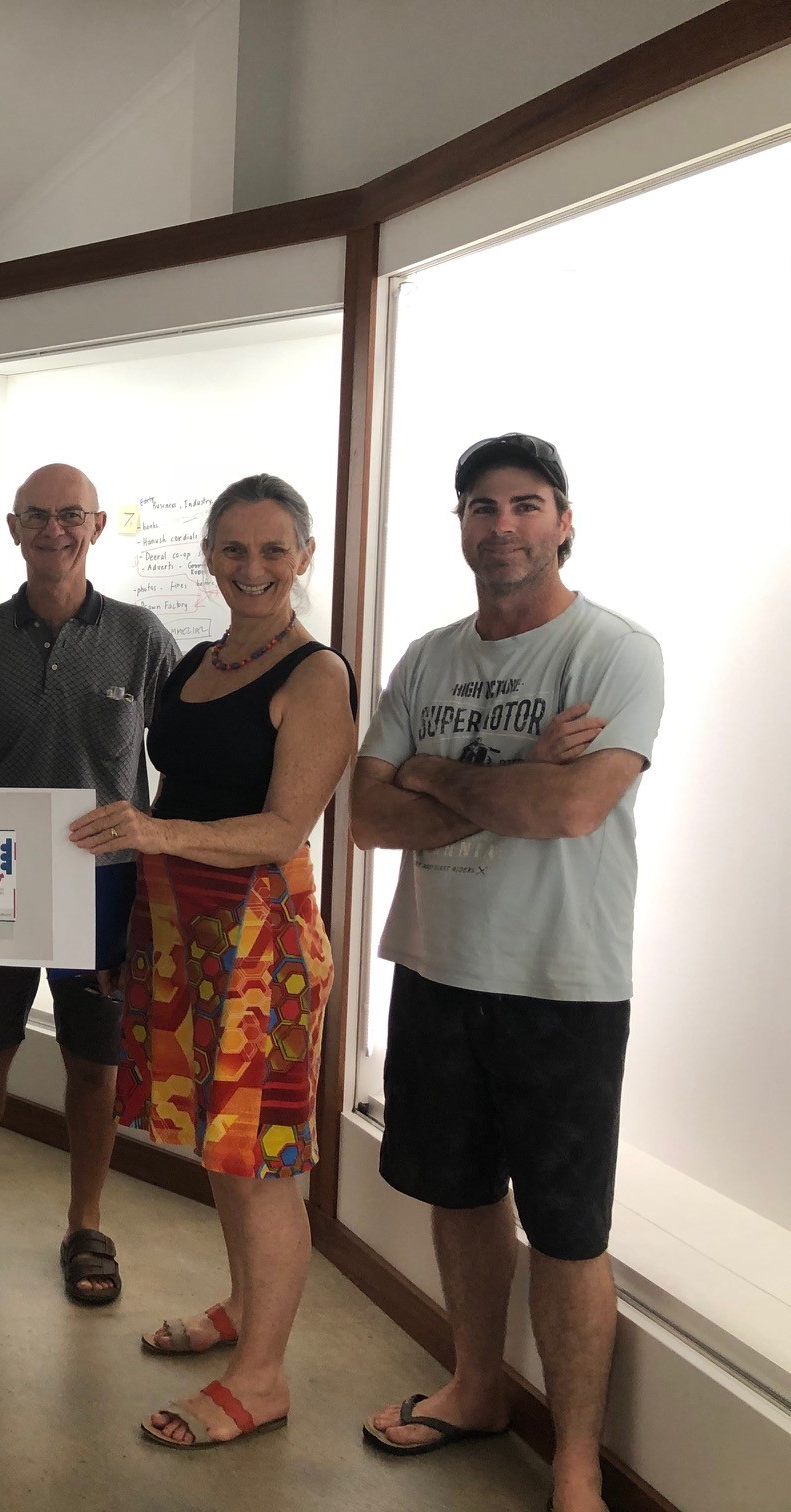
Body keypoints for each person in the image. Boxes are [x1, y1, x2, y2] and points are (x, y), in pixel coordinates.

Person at [353, 435, 661, 1512]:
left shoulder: (615, 652)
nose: (504, 526)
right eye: (482, 507)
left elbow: (570, 809)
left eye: (526, 505)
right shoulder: (427, 659)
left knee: (570, 1230)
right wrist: (509, 771)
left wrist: (434, 773)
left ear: (563, 522)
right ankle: (479, 1386)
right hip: (438, 967)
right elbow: (367, 817)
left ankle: (574, 1464)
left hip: (563, 983)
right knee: (462, 1194)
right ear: (462, 527)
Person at [69, 472, 357, 1450]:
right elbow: (176, 790)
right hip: (179, 930)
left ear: (304, 557)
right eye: (235, 548)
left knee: (260, 1161)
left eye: (274, 549)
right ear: (210, 556)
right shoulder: (197, 659)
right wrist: (133, 931)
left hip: (261, 945)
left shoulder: (316, 676)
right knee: (221, 1148)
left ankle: (262, 1378)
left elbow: (283, 829)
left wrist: (155, 834)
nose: (253, 567)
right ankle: (243, 1307)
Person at [0, 462, 179, 1306]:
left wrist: (162, 868)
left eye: (71, 514)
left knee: (93, 1062)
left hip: (105, 890)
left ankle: (86, 1223)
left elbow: (179, 765)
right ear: (14, 529)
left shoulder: (143, 638)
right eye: (36, 515)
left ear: (97, 526)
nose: (54, 530)